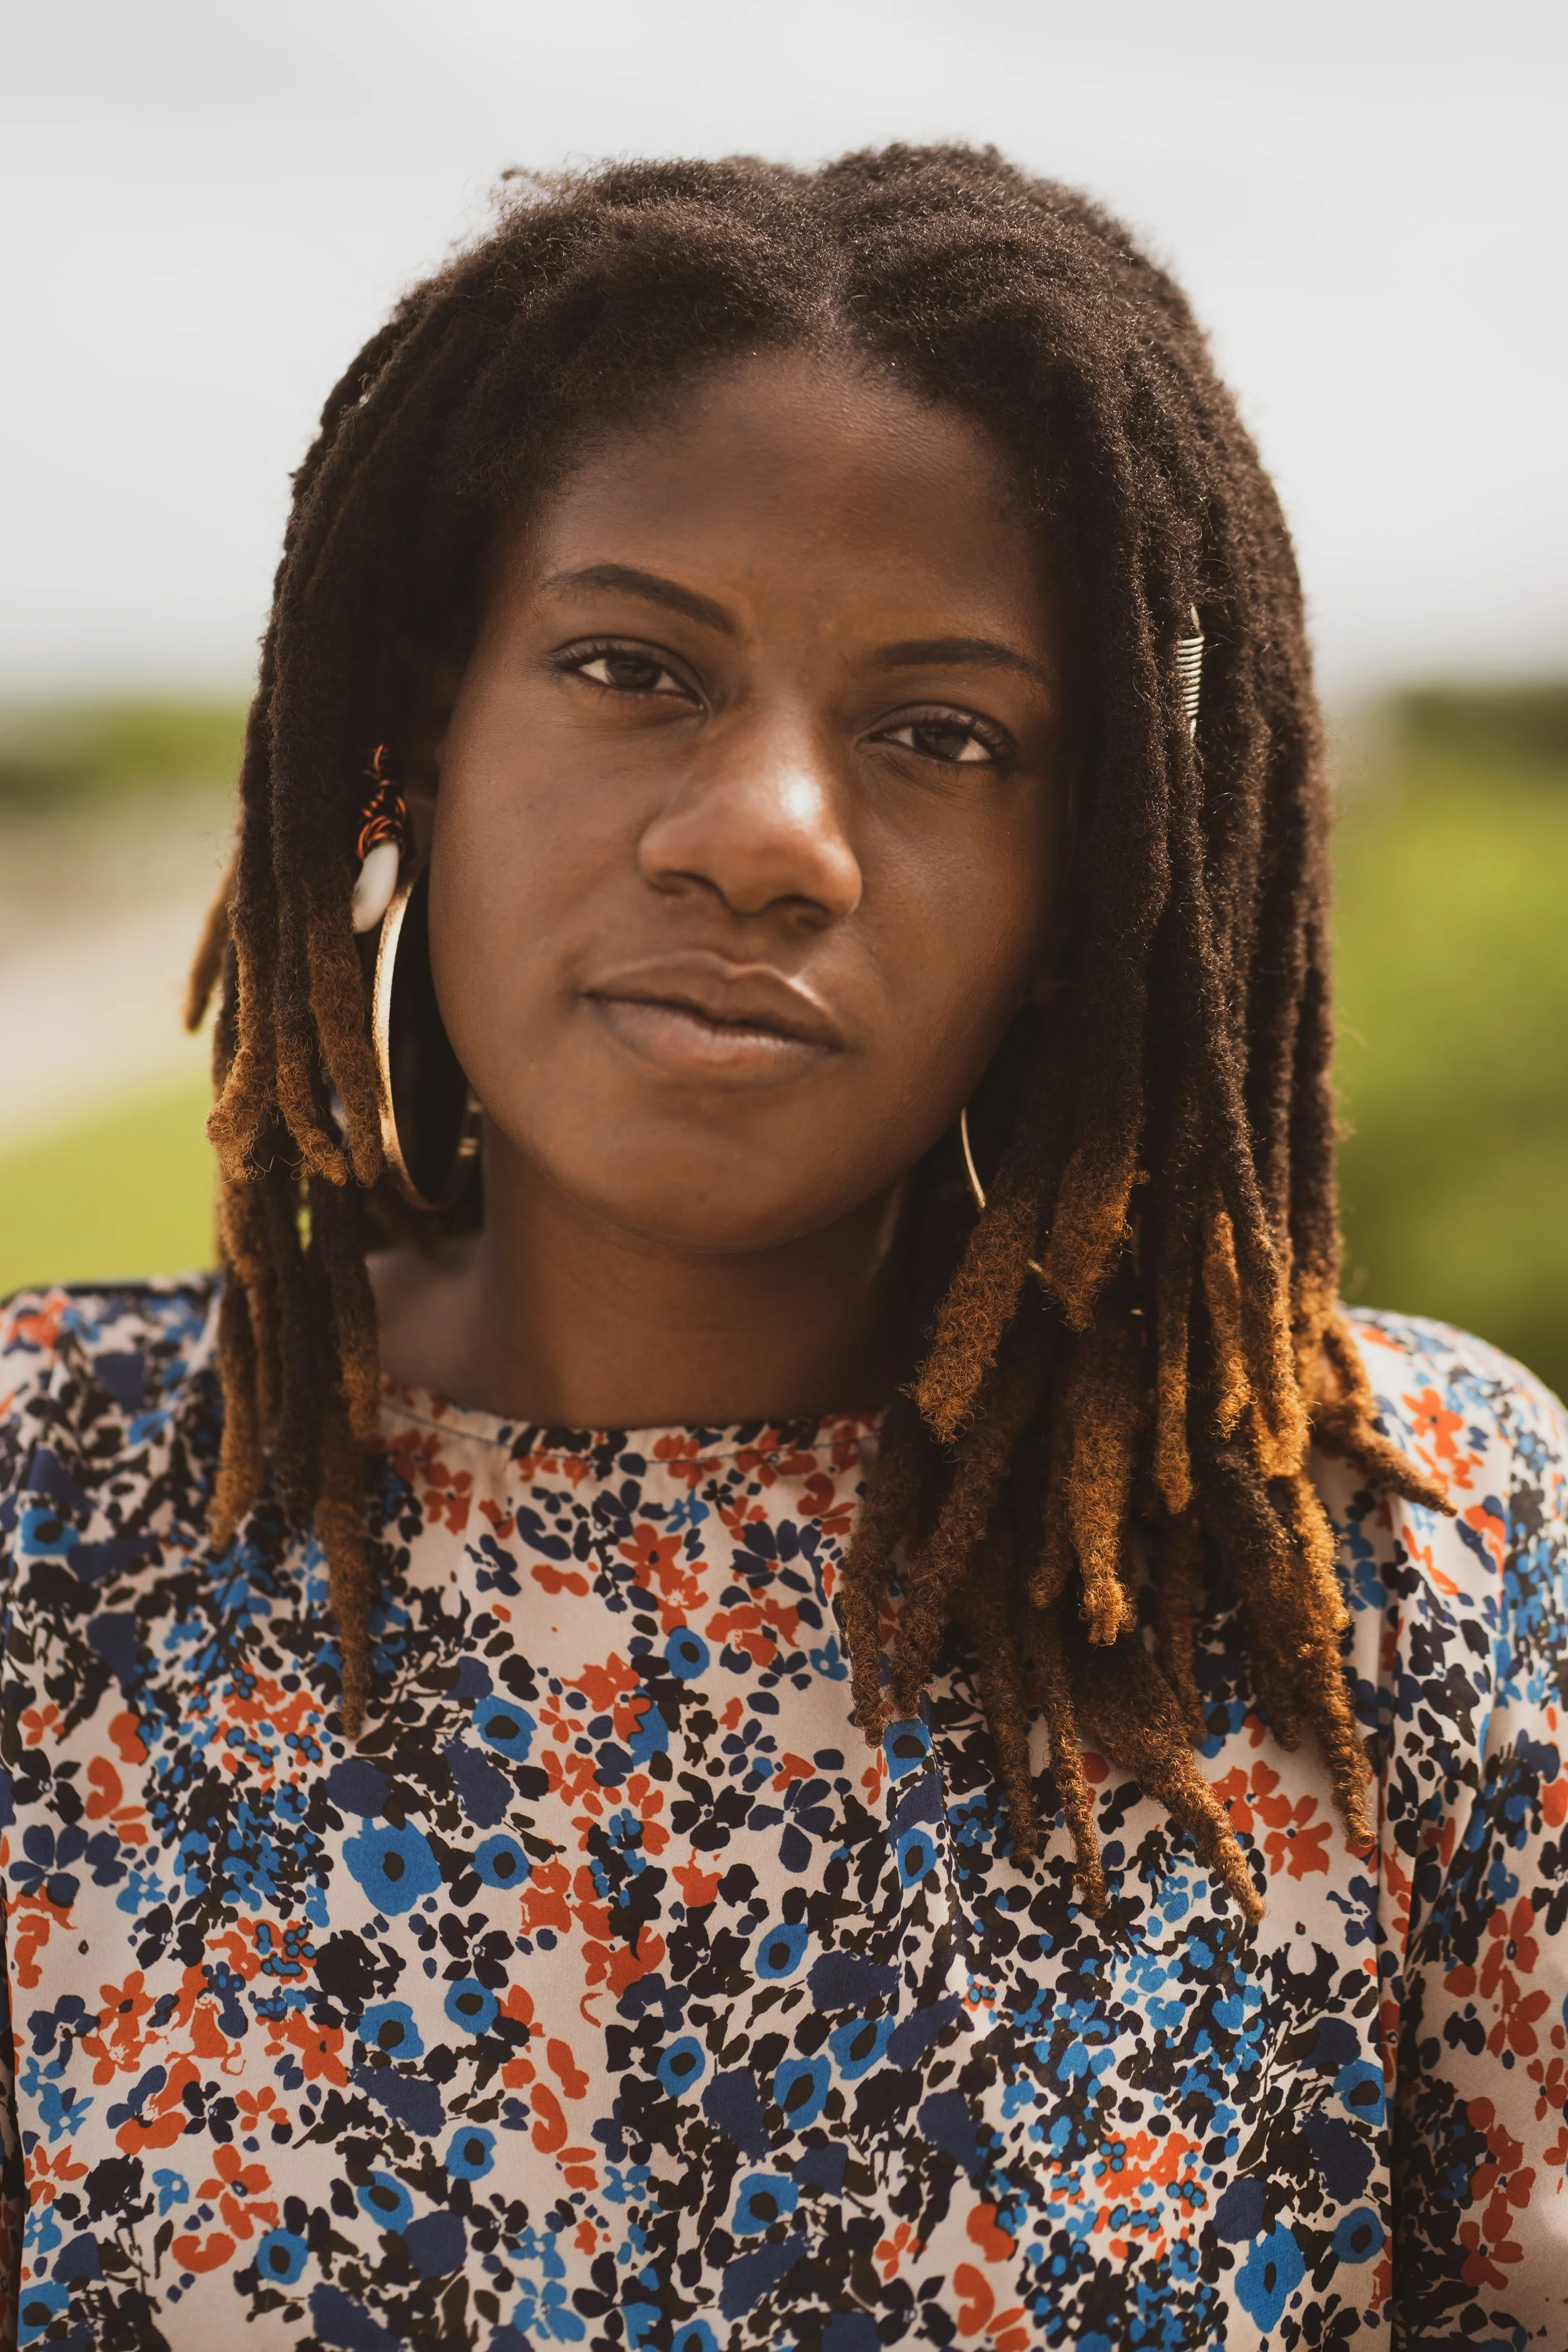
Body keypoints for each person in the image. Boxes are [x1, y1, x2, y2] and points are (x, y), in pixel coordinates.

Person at [1, 144, 1563, 2352]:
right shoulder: (49, 1511)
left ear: (1085, 888)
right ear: (407, 752)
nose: (761, 835)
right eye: (630, 665)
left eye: (941, 733)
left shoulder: (1390, 1554)